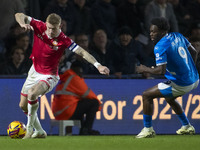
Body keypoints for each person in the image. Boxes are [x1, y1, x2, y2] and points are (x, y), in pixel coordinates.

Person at [15, 12, 110, 139]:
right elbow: (19, 14)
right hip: (34, 71)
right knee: (22, 105)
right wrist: (22, 22)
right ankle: (40, 131)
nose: (50, 31)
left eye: (53, 29)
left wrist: (98, 65)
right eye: (49, 27)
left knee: (32, 94)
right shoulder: (39, 25)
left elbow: (82, 52)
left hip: (49, 75)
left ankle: (30, 129)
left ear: (60, 27)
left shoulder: (63, 39)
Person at [135, 17, 199, 138]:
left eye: (154, 31)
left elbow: (160, 70)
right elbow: (194, 52)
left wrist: (144, 69)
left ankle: (148, 129)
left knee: (146, 95)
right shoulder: (178, 35)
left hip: (182, 83)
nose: (151, 34)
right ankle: (186, 126)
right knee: (170, 98)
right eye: (150, 31)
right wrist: (188, 70)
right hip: (195, 79)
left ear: (162, 32)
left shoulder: (160, 46)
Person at [52, 61, 101, 135]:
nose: (81, 74)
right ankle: (87, 130)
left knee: (80, 104)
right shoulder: (74, 78)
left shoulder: (66, 77)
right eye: (80, 71)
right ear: (76, 69)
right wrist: (99, 106)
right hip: (66, 111)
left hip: (59, 111)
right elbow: (89, 94)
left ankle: (83, 130)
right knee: (94, 103)